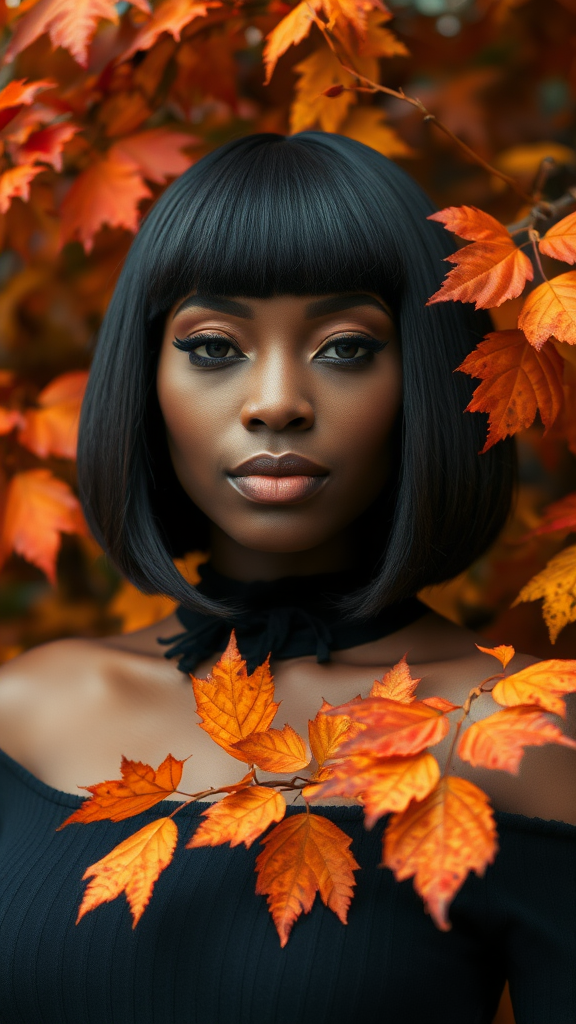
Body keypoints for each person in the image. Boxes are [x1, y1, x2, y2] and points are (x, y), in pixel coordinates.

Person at [0, 132, 574, 1024]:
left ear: (422, 373)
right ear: (144, 377)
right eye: (214, 346)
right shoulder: (26, 710)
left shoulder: (521, 739)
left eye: (346, 347)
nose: (276, 400)